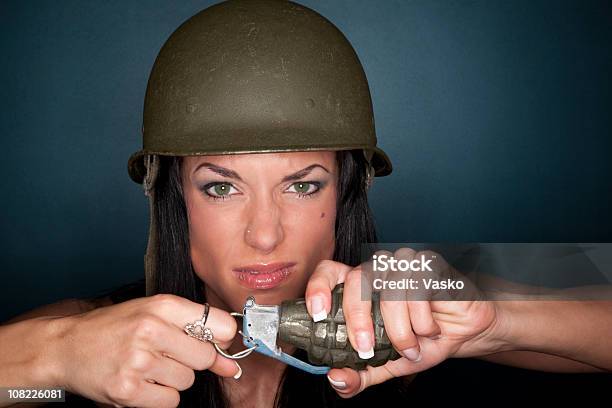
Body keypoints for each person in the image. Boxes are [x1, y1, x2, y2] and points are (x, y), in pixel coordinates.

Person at [0, 1, 610, 407]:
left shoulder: (408, 318)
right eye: (220, 187)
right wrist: (53, 361)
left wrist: (496, 318)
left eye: (303, 184)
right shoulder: (84, 339)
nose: (265, 235)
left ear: (347, 188)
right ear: (173, 198)